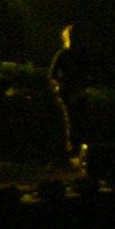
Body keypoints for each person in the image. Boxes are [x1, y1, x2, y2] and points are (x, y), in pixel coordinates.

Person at [48, 25, 91, 163]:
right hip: (68, 93)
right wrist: (65, 86)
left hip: (78, 92)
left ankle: (76, 151)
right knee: (70, 122)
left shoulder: (82, 55)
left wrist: (81, 87)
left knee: (79, 121)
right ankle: (70, 150)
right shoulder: (63, 54)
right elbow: (52, 75)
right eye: (72, 36)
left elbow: (88, 74)